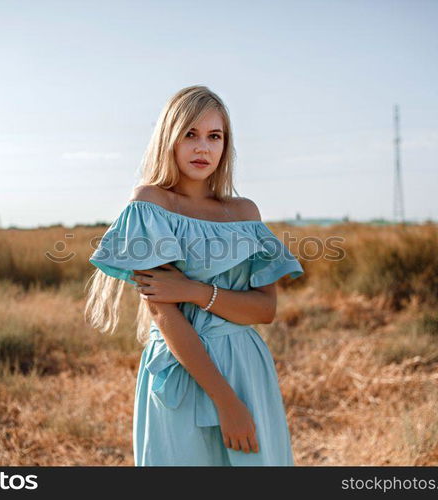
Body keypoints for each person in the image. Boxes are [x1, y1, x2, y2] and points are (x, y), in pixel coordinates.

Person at [84, 85, 304, 466]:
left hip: (245, 368)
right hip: (183, 370)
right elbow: (164, 314)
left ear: (226, 145)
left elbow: (264, 309)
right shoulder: (150, 204)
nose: (203, 148)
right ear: (169, 138)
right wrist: (225, 401)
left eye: (214, 136)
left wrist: (193, 291)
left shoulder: (244, 213)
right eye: (190, 134)